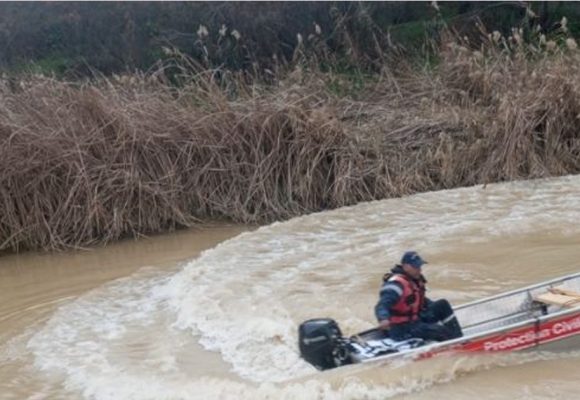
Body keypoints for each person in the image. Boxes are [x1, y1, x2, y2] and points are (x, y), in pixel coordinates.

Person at [374, 251, 463, 342]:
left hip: (415, 320)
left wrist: (435, 309)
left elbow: (419, 301)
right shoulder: (395, 285)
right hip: (401, 329)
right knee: (440, 331)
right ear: (406, 267)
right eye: (415, 267)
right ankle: (454, 342)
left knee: (442, 305)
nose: (419, 269)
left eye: (419, 266)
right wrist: (383, 319)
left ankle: (458, 338)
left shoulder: (413, 280)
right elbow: (382, 305)